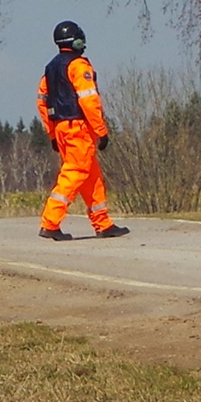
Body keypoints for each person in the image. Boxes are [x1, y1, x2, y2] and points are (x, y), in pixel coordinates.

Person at [36, 20, 128, 240]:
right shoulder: (78, 66)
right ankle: (50, 223)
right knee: (74, 173)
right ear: (76, 41)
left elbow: (42, 102)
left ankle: (103, 223)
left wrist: (52, 134)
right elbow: (89, 101)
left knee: (91, 177)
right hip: (79, 128)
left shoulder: (50, 69)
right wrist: (101, 130)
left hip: (61, 128)